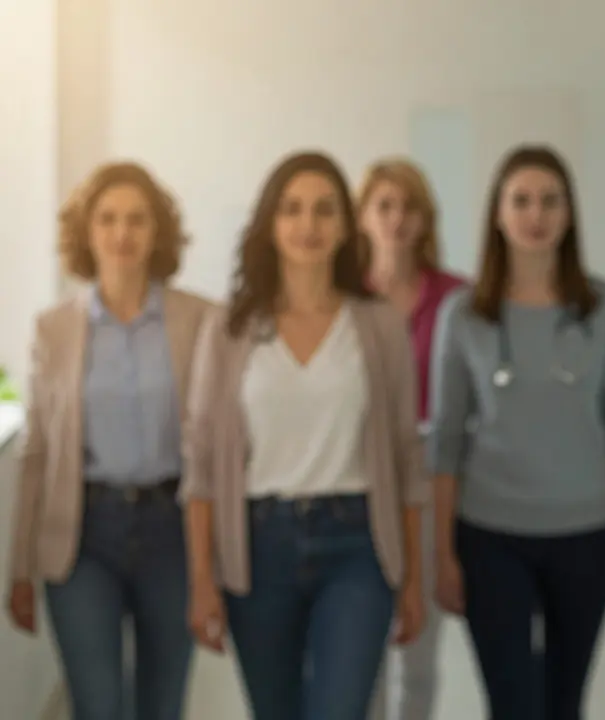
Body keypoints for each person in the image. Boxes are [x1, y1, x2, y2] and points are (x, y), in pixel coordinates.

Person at [182, 151, 426, 720]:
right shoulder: (230, 327)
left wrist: (413, 579)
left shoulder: (377, 323)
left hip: (358, 547)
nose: (308, 225)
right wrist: (201, 580)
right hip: (259, 548)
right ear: (269, 224)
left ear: (346, 225)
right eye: (291, 210)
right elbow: (200, 464)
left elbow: (406, 458)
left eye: (324, 210)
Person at [430, 145, 605, 720]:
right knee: (512, 703)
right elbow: (445, 441)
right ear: (498, 215)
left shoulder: (603, 308)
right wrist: (441, 552)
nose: (536, 214)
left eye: (550, 200)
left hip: (585, 537)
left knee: (563, 703)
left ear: (569, 213)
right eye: (521, 200)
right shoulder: (464, 314)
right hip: (489, 536)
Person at [5, 162, 213, 720]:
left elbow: (218, 440)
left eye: (138, 220)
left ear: (158, 232)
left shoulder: (199, 320)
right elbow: (37, 453)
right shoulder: (55, 329)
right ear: (86, 232)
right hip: (83, 537)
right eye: (108, 219)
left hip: (171, 531)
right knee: (97, 706)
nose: (123, 234)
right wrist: (19, 568)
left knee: (161, 706)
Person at [358, 158, 466, 720]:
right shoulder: (345, 300)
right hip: (359, 484)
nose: (397, 219)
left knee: (417, 651)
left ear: (426, 220)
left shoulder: (457, 298)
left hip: (427, 487)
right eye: (384, 206)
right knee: (360, 651)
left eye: (409, 207)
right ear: (363, 218)